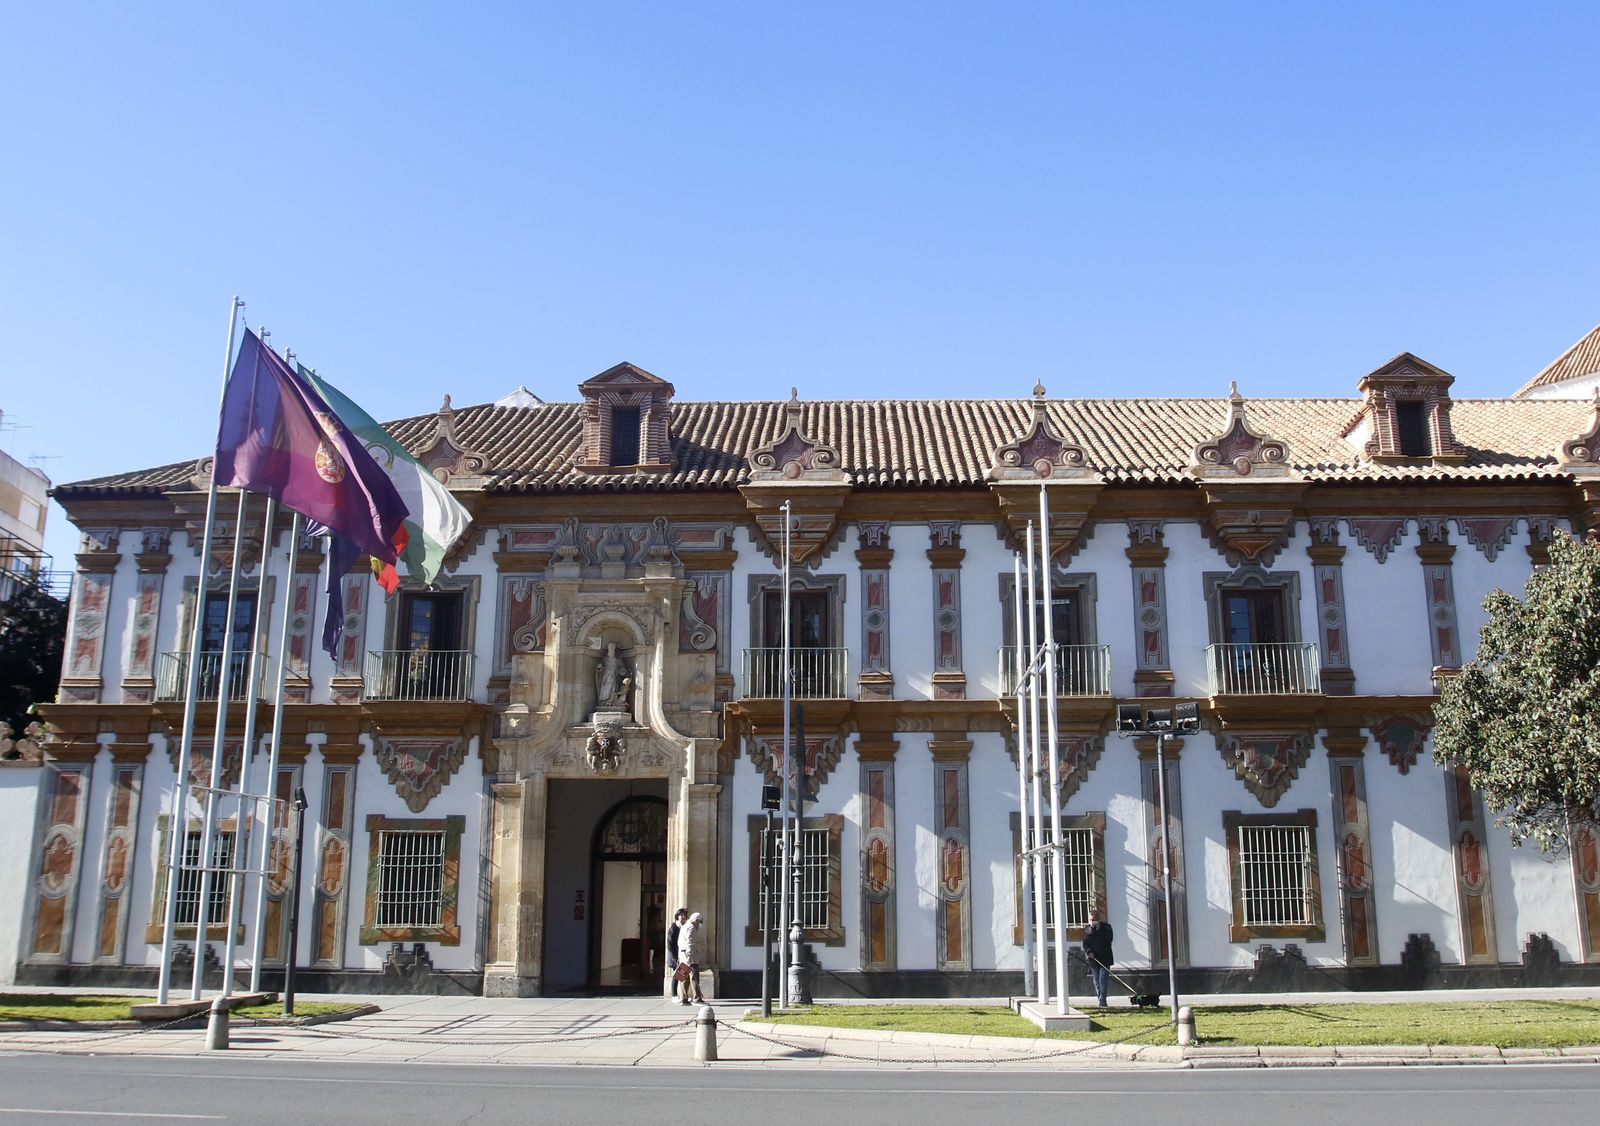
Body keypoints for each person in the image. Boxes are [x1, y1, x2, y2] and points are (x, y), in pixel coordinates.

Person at [1081, 908, 1115, 1008]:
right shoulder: (1087, 929)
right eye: (1090, 919)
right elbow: (1085, 943)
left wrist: (1099, 929)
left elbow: (1109, 940)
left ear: (1098, 919)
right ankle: (1100, 998)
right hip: (1094, 960)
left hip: (1105, 959)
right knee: (1096, 981)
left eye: (1093, 919)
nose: (1092, 921)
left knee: (1102, 981)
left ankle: (1102, 1001)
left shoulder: (1107, 928)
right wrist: (1089, 952)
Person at [677, 910, 706, 1005]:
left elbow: (680, 942)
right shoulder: (691, 927)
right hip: (690, 956)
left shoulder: (684, 926)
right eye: (700, 922)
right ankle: (697, 998)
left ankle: (683, 998)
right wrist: (689, 957)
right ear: (696, 920)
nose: (700, 924)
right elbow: (690, 943)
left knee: (684, 978)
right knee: (694, 977)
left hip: (683, 956)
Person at [665, 907, 687, 999]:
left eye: (684, 915)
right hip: (675, 954)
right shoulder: (674, 927)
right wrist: (674, 956)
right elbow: (670, 942)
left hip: (681, 953)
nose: (683, 917)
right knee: (676, 974)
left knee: (681, 973)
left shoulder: (684, 927)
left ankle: (681, 994)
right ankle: (674, 994)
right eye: (681, 915)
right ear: (677, 916)